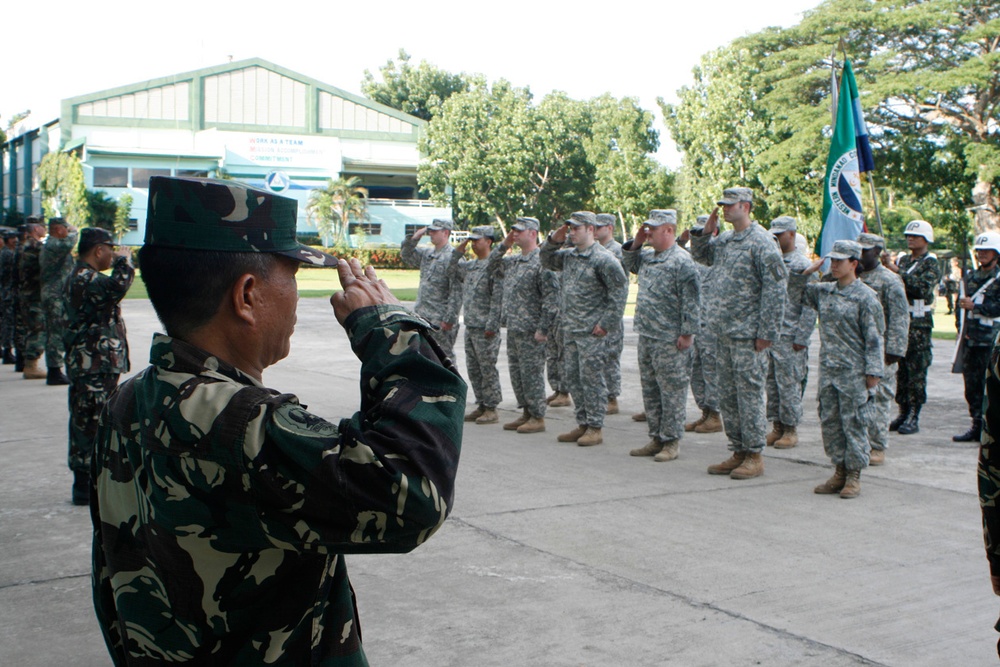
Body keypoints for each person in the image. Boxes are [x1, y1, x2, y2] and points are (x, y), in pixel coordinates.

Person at [90, 176, 466, 666]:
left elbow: (112, 580)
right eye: (290, 275)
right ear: (247, 295)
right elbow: (413, 495)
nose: (295, 293)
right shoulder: (241, 423)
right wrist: (389, 331)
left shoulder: (129, 399)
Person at [690, 187, 786, 479]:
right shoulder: (727, 240)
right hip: (722, 332)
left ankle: (754, 454)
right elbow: (702, 256)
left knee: (750, 395)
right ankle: (738, 450)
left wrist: (767, 331)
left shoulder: (762, 242)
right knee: (728, 397)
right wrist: (705, 233)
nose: (724, 209)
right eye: (722, 205)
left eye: (730, 205)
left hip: (748, 335)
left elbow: (775, 288)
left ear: (745, 206)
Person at [802, 240, 884, 498]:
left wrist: (873, 373)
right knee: (831, 423)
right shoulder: (825, 291)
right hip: (829, 371)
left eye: (840, 261)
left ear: (854, 264)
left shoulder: (866, 297)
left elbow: (874, 338)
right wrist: (808, 271)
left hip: (853, 373)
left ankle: (854, 476)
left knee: (855, 424)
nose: (834, 265)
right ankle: (839, 470)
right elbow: (796, 291)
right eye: (832, 260)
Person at [541, 211, 628, 446]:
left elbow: (619, 292)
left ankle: (596, 426)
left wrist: (606, 324)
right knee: (574, 379)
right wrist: (554, 238)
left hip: (592, 331)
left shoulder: (603, 258)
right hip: (571, 329)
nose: (571, 232)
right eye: (570, 228)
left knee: (592, 380)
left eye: (576, 228)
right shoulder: (569, 256)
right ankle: (583, 423)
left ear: (591, 229)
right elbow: (546, 259)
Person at [622, 209, 700, 461]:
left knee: (672, 392)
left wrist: (687, 333)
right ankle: (656, 437)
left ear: (669, 230)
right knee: (651, 389)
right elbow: (629, 262)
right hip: (648, 334)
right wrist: (637, 240)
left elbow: (693, 301)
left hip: (670, 338)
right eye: (646, 229)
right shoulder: (648, 257)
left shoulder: (681, 260)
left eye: (652, 230)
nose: (648, 234)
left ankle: (671, 441)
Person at [63, 228, 133, 505]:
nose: (114, 253)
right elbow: (117, 287)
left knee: (90, 419)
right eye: (111, 248)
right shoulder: (85, 277)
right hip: (91, 363)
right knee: (90, 422)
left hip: (94, 362)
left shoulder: (84, 277)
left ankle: (89, 482)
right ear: (98, 250)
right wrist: (124, 261)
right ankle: (85, 484)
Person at [488, 217, 552, 434]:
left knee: (532, 374)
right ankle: (526, 411)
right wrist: (504, 244)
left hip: (532, 330)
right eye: (513, 230)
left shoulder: (542, 261)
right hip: (514, 327)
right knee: (517, 373)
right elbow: (491, 264)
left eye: (519, 231)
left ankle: (538, 416)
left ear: (533, 234)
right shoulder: (514, 261)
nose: (514, 234)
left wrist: (543, 329)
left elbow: (551, 299)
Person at [765, 216, 817, 450]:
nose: (775, 238)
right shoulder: (770, 261)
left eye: (780, 235)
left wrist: (802, 336)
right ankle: (776, 426)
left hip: (790, 335)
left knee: (789, 385)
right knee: (772, 385)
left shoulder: (802, 265)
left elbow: (810, 304)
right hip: (771, 334)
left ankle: (790, 429)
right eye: (773, 235)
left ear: (792, 235)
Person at [884, 219, 942, 435]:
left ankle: (914, 414)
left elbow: (922, 289)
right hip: (901, 321)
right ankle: (903, 411)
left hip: (919, 324)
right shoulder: (905, 260)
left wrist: (898, 271)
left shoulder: (930, 263)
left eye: (915, 236)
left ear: (926, 240)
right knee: (902, 371)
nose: (910, 238)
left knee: (917, 371)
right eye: (908, 235)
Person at [857, 232, 909, 465]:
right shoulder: (853, 278)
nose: (860, 255)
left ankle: (877, 446)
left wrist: (895, 350)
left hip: (881, 351)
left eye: (865, 251)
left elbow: (899, 317)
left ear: (877, 252)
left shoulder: (889, 280)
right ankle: (859, 442)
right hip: (856, 350)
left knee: (879, 398)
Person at [450, 225, 504, 425]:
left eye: (476, 240)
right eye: (471, 240)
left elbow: (498, 297)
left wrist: (492, 324)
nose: (473, 244)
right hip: (471, 324)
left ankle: (491, 407)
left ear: (489, 241)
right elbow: (450, 268)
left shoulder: (494, 266)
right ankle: (481, 403)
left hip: (486, 327)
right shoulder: (471, 266)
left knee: (487, 367)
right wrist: (459, 250)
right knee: (473, 368)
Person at [954, 231, 1000, 442]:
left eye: (987, 251)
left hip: (990, 341)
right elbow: (960, 307)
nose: (982, 254)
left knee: (988, 386)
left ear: (996, 254)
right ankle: (975, 424)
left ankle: (988, 427)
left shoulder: (998, 279)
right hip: (971, 338)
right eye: (979, 250)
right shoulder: (970, 277)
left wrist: (977, 306)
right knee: (971, 385)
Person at [682, 216, 723, 434]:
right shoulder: (694, 257)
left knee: (711, 369)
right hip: (697, 322)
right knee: (696, 370)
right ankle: (705, 412)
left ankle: (715, 414)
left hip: (712, 323)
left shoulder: (719, 254)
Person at [401, 218, 462, 360]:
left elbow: (457, 291)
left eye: (435, 231)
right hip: (422, 316)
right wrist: (414, 238)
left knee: (444, 358)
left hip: (440, 320)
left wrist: (449, 319)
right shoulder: (427, 254)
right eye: (430, 231)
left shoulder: (453, 257)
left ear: (445, 233)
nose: (431, 234)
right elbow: (406, 255)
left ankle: (451, 382)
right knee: (424, 357)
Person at [595, 212, 627, 415]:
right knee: (599, 357)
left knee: (610, 356)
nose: (596, 230)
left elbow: (619, 285)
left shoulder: (617, 251)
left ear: (610, 228)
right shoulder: (596, 250)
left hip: (610, 312)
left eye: (599, 227)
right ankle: (602, 394)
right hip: (597, 311)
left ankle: (612, 397)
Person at [40, 217, 77, 385]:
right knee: (55, 333)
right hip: (54, 295)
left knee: (58, 332)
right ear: (58, 229)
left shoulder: (54, 245)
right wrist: (75, 231)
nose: (67, 231)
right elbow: (70, 243)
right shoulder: (53, 244)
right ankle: (54, 371)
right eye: (65, 228)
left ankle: (56, 369)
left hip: (57, 294)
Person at [17, 219, 48, 379]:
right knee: (38, 329)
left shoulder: (22, 246)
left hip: (26, 292)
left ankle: (27, 363)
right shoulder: (35, 246)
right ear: (36, 229)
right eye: (43, 227)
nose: (45, 229)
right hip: (34, 294)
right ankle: (31, 365)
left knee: (31, 328)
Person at [0, 231, 18, 364]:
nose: (15, 240)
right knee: (8, 323)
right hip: (7, 291)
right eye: (12, 238)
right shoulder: (8, 253)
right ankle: (7, 351)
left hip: (6, 290)